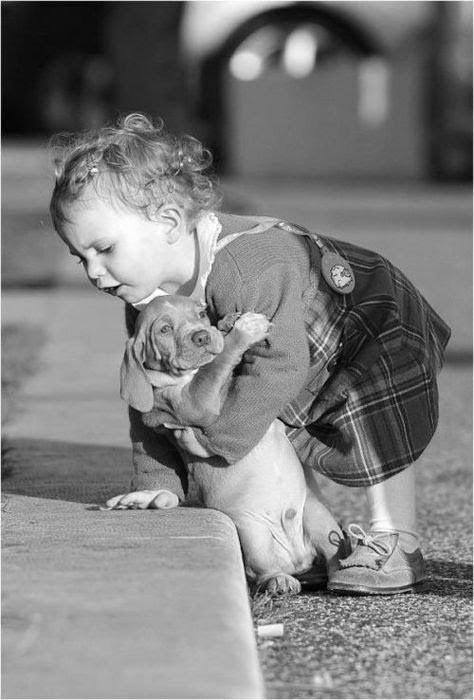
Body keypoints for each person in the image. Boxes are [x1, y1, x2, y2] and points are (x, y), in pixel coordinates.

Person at [49, 113, 451, 595]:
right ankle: (317, 540)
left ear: (170, 222)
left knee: (376, 426)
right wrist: (159, 481)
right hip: (297, 348)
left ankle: (395, 539)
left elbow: (279, 366)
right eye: (81, 257)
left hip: (369, 322)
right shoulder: (150, 306)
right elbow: (151, 402)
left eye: (105, 249)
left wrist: (223, 438)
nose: (94, 271)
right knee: (277, 424)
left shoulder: (244, 267)